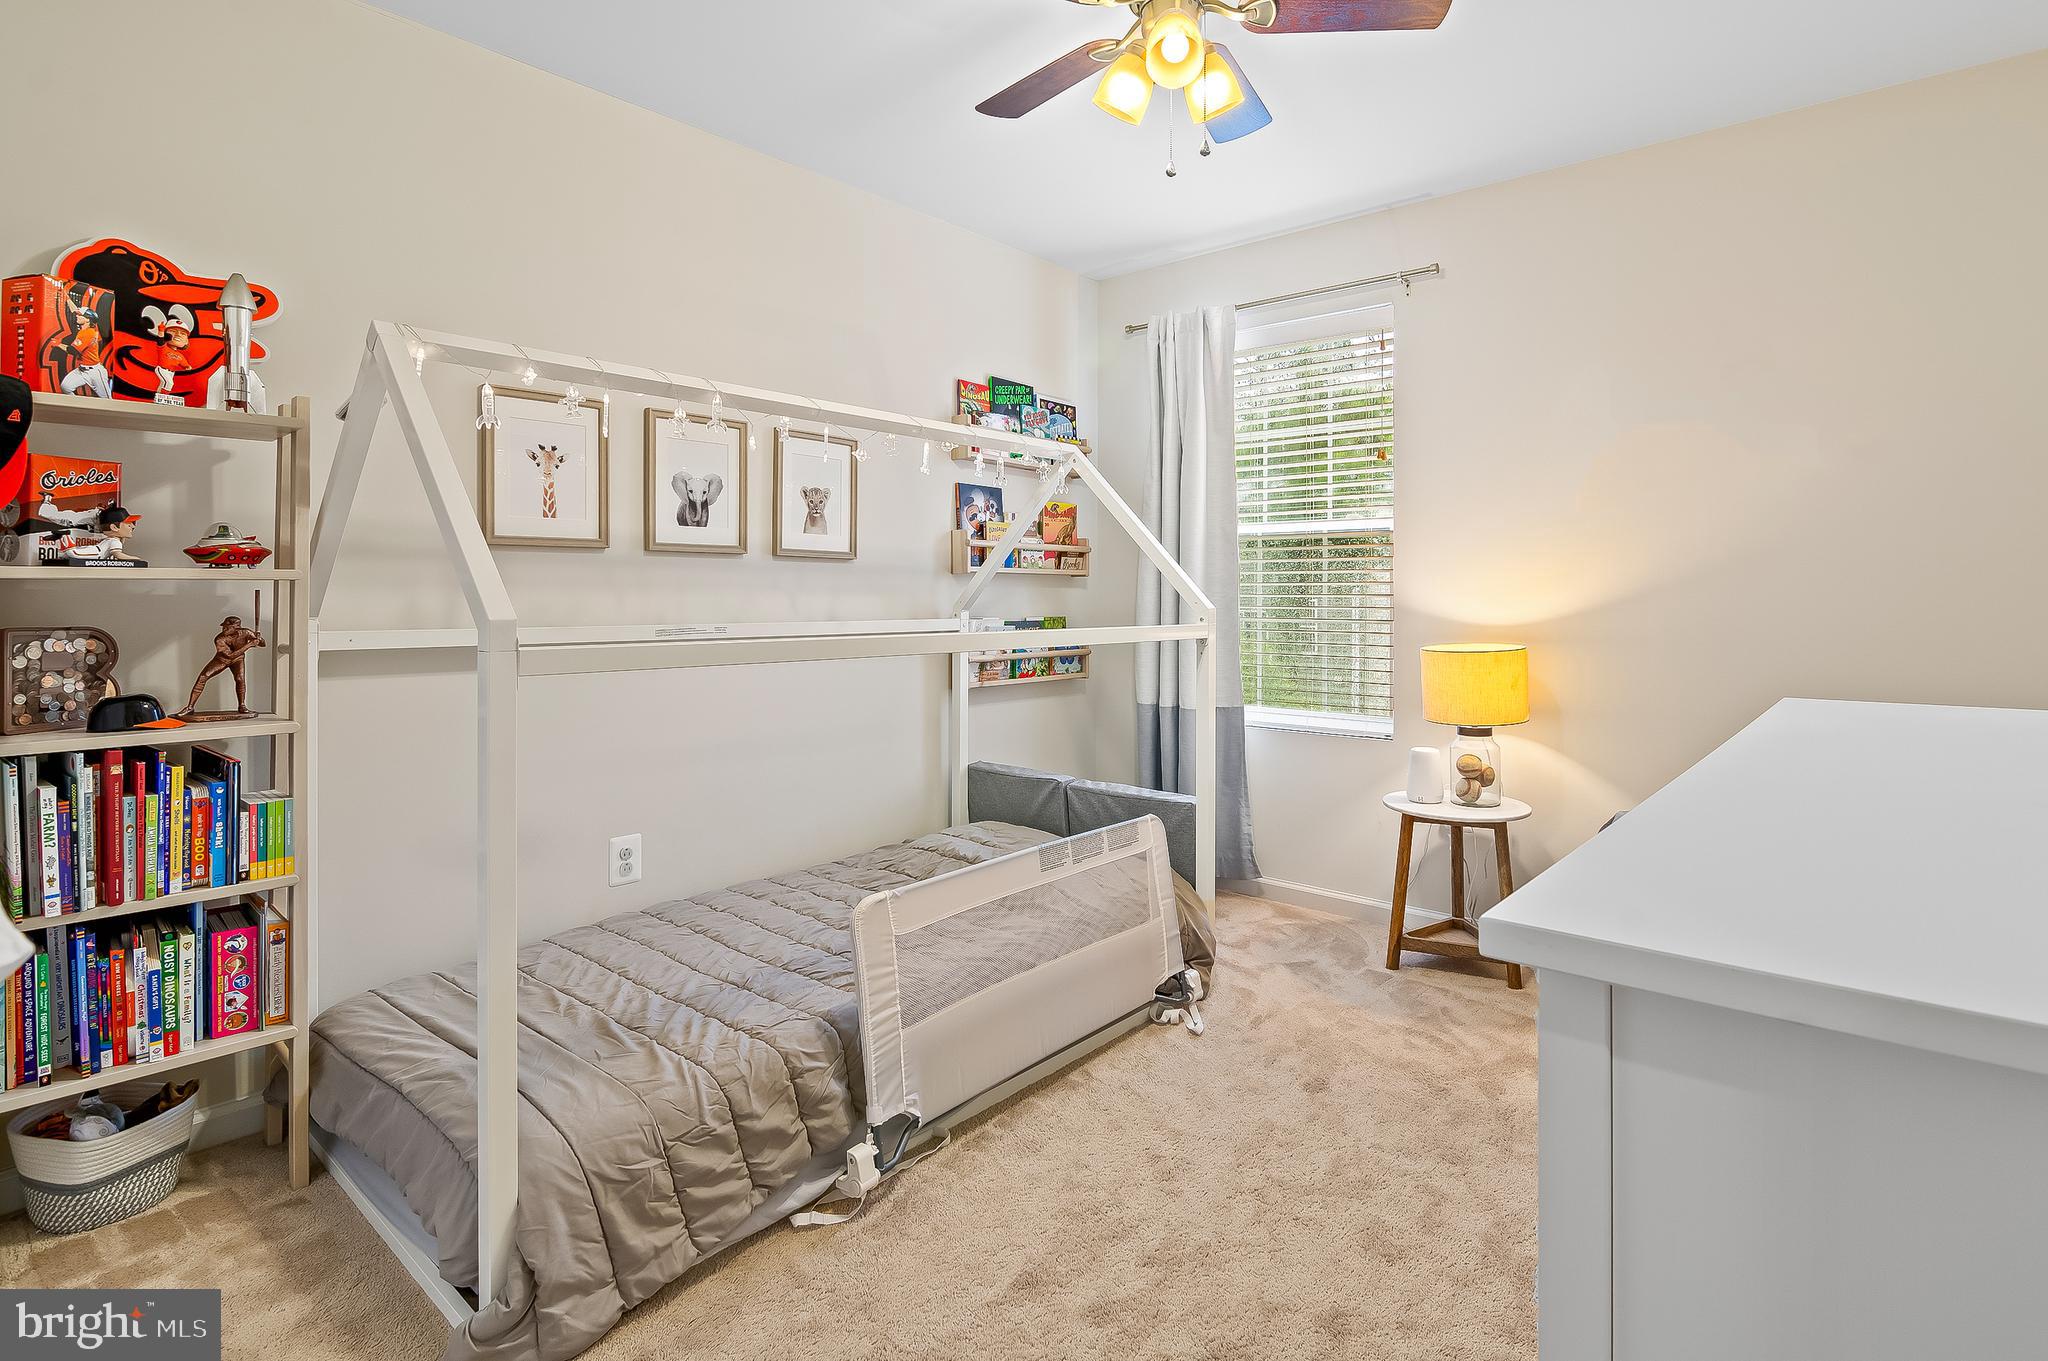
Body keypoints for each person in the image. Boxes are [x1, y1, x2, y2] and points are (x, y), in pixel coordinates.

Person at [177, 614, 266, 717]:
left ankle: (242, 706)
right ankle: (190, 707)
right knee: (203, 677)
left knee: (240, 679)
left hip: (238, 660)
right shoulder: (219, 639)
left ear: (236, 627)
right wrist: (249, 645)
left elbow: (262, 644)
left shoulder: (246, 632)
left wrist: (259, 639)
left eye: (227, 627)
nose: (224, 629)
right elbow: (230, 656)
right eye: (224, 626)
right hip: (222, 660)